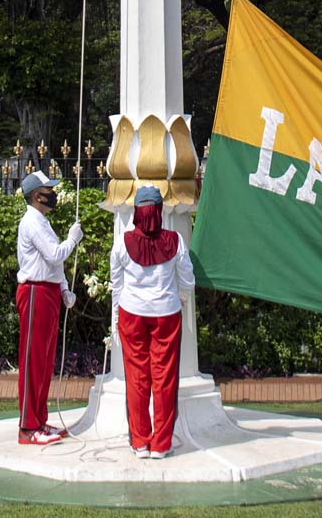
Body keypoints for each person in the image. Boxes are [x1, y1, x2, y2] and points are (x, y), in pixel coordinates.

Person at [110, 184, 195, 459]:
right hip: (166, 313)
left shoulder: (122, 242)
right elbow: (188, 280)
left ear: (137, 211)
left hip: (132, 312)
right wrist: (179, 298)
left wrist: (115, 316)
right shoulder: (175, 240)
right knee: (164, 378)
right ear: (158, 211)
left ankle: (140, 441)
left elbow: (116, 284)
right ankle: (161, 443)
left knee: (136, 378)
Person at [16, 170, 83, 445]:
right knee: (33, 360)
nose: (52, 195)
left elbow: (54, 264)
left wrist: (64, 289)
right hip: (34, 292)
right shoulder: (31, 222)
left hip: (48, 291)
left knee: (44, 360)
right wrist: (73, 239)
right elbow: (55, 254)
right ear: (36, 196)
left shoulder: (42, 221)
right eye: (48, 190)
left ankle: (40, 421)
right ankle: (28, 428)